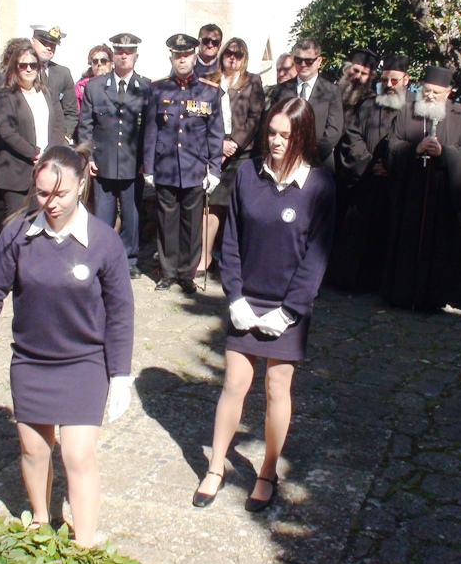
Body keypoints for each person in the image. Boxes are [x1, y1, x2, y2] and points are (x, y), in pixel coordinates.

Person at [0, 144, 135, 548]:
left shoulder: (104, 242)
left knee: (77, 455)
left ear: (82, 184)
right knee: (33, 449)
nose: (51, 202)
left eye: (61, 193)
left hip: (84, 362)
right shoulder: (18, 234)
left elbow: (120, 312)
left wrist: (121, 375)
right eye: (42, 193)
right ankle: (40, 523)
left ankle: (85, 544)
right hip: (31, 361)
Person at [193, 97, 335, 512]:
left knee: (277, 388)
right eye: (271, 133)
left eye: (285, 135)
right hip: (248, 298)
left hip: (288, 305)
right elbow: (232, 240)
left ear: (302, 137)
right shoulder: (247, 175)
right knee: (234, 384)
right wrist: (234, 295)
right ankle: (215, 467)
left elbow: (316, 257)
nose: (275, 141)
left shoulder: (320, 186)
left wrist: (291, 310)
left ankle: (268, 471)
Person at [381, 64, 461, 310]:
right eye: (426, 90)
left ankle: (433, 298)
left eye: (436, 93)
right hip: (411, 192)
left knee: (439, 246)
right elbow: (392, 144)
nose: (429, 96)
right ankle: (401, 293)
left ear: (448, 93)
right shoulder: (407, 111)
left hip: (442, 196)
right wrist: (414, 149)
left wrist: (445, 153)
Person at [142, 33, 224, 294]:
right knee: (166, 223)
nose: (182, 60)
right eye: (178, 55)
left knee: (192, 225)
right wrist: (149, 167)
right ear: (171, 58)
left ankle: (187, 274)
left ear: (194, 57)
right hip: (165, 168)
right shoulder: (157, 89)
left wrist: (215, 169)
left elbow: (215, 133)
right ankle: (167, 273)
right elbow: (150, 131)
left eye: (187, 55)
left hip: (194, 168)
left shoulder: (209, 92)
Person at [329, 54, 410, 293]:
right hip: (365, 181)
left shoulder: (412, 110)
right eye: (385, 80)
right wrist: (369, 163)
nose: (389, 85)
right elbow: (352, 135)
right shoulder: (369, 104)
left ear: (406, 80)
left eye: (394, 81)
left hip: (394, 185)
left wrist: (391, 166)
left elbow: (411, 142)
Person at [75, 33, 149, 280]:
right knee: (102, 216)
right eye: (119, 52)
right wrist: (88, 157)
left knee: (131, 215)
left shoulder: (147, 88)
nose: (124, 56)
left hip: (133, 163)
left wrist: (146, 161)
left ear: (136, 56)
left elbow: (150, 129)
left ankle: (129, 259)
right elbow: (86, 125)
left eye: (129, 52)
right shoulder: (95, 87)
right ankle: (101, 258)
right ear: (113, 56)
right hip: (103, 162)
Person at [196, 37, 265, 277]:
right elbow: (200, 115)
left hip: (241, 153)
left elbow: (255, 118)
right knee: (211, 204)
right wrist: (218, 145)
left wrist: (234, 144)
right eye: (229, 53)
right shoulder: (209, 80)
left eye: (238, 55)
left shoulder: (253, 81)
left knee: (237, 206)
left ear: (244, 58)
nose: (233, 58)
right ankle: (205, 258)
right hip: (213, 149)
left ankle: (234, 260)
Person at [0, 45, 67, 228]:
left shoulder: (48, 93)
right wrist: (34, 153)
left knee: (44, 227)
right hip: (17, 173)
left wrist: (48, 154)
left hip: (46, 169)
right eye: (23, 65)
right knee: (17, 228)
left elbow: (59, 125)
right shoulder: (6, 96)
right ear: (15, 68)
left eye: (33, 65)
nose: (28, 69)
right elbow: (7, 131)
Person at [268, 37, 343, 170]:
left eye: (308, 61)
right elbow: (270, 124)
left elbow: (333, 131)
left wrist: (309, 155)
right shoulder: (280, 90)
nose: (303, 65)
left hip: (319, 162)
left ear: (319, 61)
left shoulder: (331, 91)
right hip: (284, 161)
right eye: (298, 60)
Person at [30, 25, 79, 142]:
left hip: (55, 141)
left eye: (53, 45)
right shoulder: (21, 70)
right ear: (32, 41)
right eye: (44, 43)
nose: (49, 48)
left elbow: (70, 112)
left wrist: (65, 138)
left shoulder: (63, 73)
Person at [337, 48, 377, 121]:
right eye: (356, 70)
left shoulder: (372, 103)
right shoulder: (334, 94)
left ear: (370, 77)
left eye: (364, 73)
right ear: (348, 69)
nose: (358, 76)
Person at [74, 44, 112, 110]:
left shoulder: (119, 83)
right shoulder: (81, 86)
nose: (99, 64)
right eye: (95, 61)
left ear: (112, 63)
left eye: (103, 61)